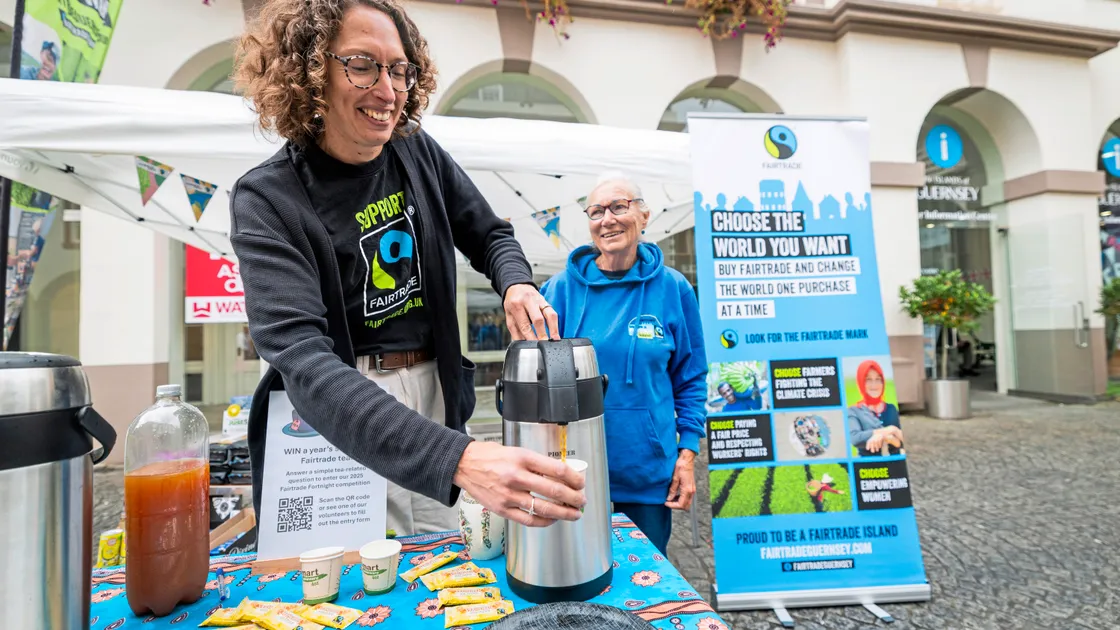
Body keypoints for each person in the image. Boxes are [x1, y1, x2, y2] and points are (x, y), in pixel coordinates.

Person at [229, 0, 584, 536]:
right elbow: (304, 361)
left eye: (399, 68)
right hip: (340, 411)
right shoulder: (267, 197)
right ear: (309, 70)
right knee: (357, 586)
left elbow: (490, 234)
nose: (389, 90)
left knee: (447, 566)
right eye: (363, 65)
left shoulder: (417, 152)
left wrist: (516, 284)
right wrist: (461, 460)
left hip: (434, 391)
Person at [541, 172, 708, 554]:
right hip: (573, 469)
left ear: (645, 216)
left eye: (619, 206)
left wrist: (688, 453)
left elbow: (691, 376)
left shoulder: (673, 288)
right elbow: (537, 381)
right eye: (596, 211)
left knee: (646, 578)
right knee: (578, 577)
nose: (607, 219)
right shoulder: (559, 291)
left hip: (647, 469)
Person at [847, 359, 904, 457]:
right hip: (868, 468)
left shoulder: (891, 408)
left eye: (878, 379)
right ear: (861, 382)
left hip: (895, 466)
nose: (874, 385)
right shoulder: (854, 411)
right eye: (868, 380)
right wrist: (888, 431)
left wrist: (892, 432)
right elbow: (855, 438)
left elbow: (902, 442)